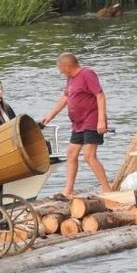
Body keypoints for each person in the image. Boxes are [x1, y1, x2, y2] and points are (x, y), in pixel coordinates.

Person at [40, 52, 111, 198]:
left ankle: (107, 189)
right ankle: (68, 190)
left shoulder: (87, 74)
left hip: (91, 120)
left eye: (60, 68)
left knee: (89, 156)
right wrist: (50, 115)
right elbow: (66, 97)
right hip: (78, 123)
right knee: (71, 154)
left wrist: (101, 119)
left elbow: (100, 95)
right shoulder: (70, 79)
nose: (60, 71)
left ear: (67, 66)